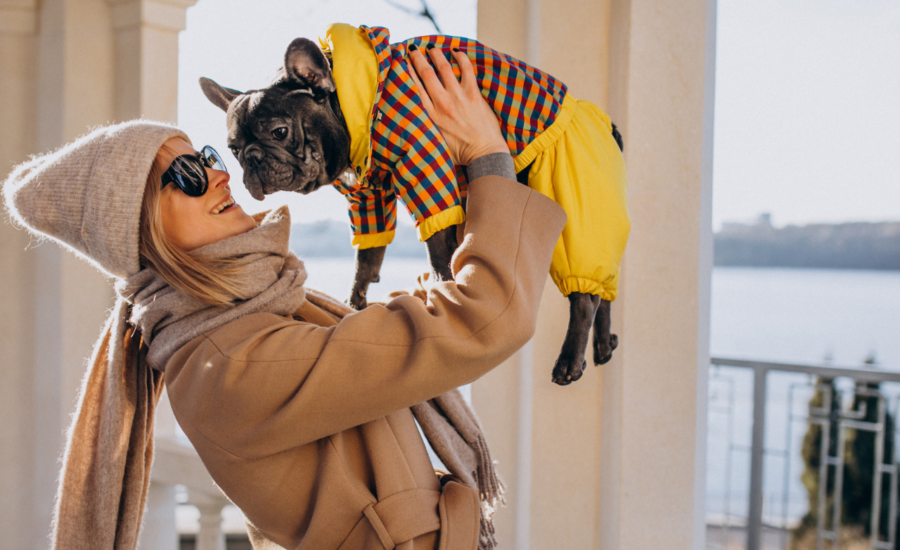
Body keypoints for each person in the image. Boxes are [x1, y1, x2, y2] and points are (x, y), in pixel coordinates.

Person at [3, 47, 566, 550]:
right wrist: (487, 153)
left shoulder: (251, 319)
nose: (220, 177)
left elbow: (415, 324)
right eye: (186, 174)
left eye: (208, 158)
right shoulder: (230, 361)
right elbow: (484, 316)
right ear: (139, 232)